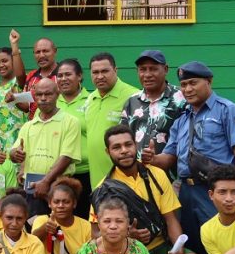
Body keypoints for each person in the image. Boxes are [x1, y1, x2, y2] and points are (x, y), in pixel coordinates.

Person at [95, 125, 202, 254]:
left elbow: (171, 219)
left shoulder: (157, 175)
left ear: (136, 145)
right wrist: (127, 237)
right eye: (116, 147)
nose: (124, 150)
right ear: (107, 152)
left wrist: (178, 246)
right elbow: (95, 234)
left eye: (128, 144)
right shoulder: (103, 189)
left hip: (157, 249)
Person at [148, 61, 235, 254]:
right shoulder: (181, 119)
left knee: (222, 244)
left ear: (209, 81)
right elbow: (169, 158)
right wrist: (153, 159)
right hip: (187, 191)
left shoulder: (228, 110)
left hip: (215, 191)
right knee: (194, 245)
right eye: (184, 84)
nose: (187, 89)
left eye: (193, 83)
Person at [9, 78, 81, 217]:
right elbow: (14, 152)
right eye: (39, 94)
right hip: (32, 188)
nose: (43, 98)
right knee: (35, 231)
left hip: (59, 187)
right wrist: (15, 154)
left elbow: (66, 157)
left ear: (57, 94)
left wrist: (46, 181)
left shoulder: (71, 122)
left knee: (59, 232)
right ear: (34, 96)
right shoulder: (28, 126)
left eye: (48, 94)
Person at [30, 177, 93, 254]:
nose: (60, 206)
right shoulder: (42, 220)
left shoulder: (85, 225)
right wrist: (45, 228)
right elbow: (32, 242)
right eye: (56, 202)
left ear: (74, 203)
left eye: (66, 202)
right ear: (49, 203)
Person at [84, 53, 139, 189]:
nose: (100, 76)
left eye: (105, 71)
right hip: (97, 181)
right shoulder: (91, 99)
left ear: (115, 70)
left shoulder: (133, 97)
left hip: (126, 182)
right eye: (95, 72)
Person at [121, 50, 187, 156]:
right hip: (138, 170)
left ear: (165, 69)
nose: (147, 75)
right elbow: (123, 138)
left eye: (153, 69)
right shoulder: (131, 102)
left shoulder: (181, 99)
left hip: (171, 170)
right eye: (142, 70)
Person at [55, 58, 92, 217]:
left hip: (85, 172)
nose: (63, 79)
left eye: (68, 74)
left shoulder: (91, 100)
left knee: (84, 220)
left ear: (79, 76)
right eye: (60, 75)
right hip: (57, 174)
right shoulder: (51, 101)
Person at [0, 47, 30, 152]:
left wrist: (15, 46)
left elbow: (20, 74)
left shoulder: (20, 83)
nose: (1, 65)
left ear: (13, 61)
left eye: (5, 61)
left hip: (18, 146)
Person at [9, 30, 58, 118]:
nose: (41, 55)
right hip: (36, 128)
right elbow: (27, 107)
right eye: (37, 52)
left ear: (55, 51)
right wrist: (15, 100)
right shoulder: (31, 76)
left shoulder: (63, 74)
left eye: (45, 51)